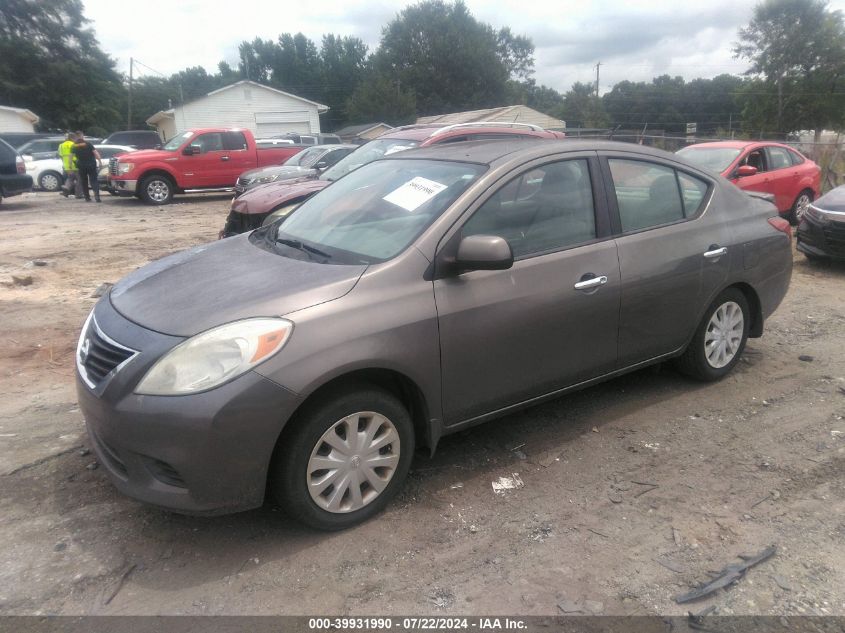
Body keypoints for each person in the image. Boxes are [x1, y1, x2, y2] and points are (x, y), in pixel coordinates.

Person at [71, 131, 102, 202]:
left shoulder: (74, 146)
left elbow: (71, 157)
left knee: (84, 181)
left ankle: (87, 198)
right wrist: (100, 161)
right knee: (94, 180)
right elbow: (95, 153)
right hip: (91, 165)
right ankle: (97, 196)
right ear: (82, 136)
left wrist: (70, 165)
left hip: (81, 166)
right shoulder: (88, 144)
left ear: (76, 137)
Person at [58, 132, 82, 198]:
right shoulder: (74, 144)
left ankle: (66, 187)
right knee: (79, 180)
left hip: (67, 165)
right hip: (75, 164)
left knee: (70, 178)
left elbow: (60, 156)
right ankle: (78, 194)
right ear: (72, 138)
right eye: (75, 138)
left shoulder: (61, 145)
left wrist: (65, 164)